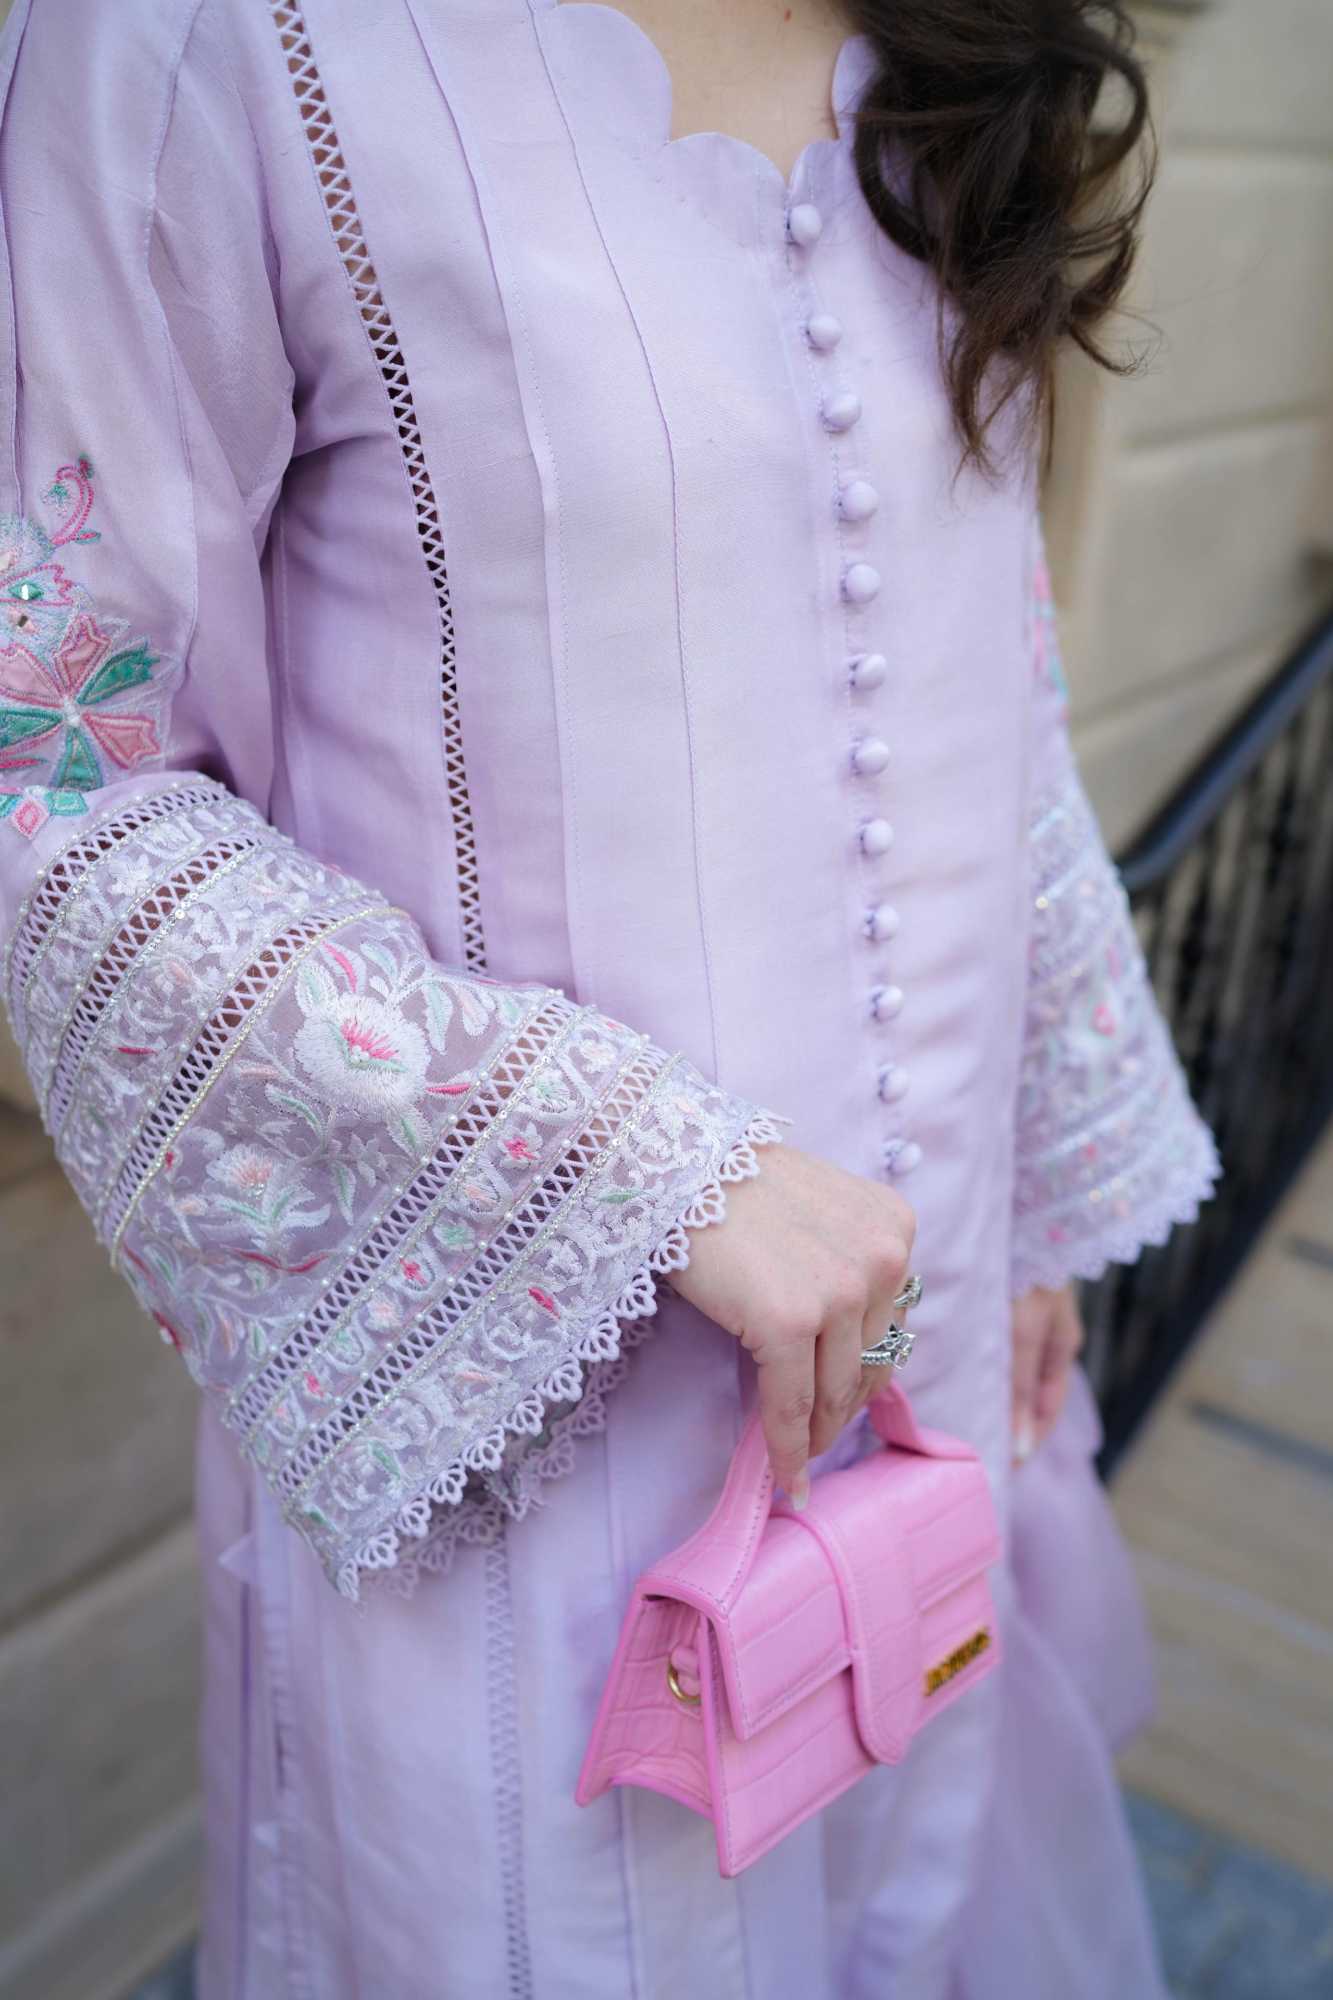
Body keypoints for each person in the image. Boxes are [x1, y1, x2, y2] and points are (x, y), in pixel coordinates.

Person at [0, 0, 1220, 1992]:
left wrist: (1029, 1174)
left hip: (927, 1390)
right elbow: (56, 775)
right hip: (525, 1466)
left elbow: (985, 668)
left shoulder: (962, 42)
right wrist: (628, 1162)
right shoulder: (220, 46)